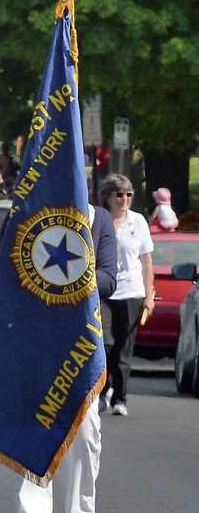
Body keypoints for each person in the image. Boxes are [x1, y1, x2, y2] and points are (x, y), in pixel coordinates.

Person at [9, 200, 119, 513]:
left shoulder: (99, 218)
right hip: (39, 339)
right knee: (36, 427)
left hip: (83, 340)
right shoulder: (32, 214)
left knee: (86, 431)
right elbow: (11, 268)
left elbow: (109, 277)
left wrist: (73, 275)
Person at [97, 176, 154, 417]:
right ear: (108, 196)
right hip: (104, 289)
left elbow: (147, 261)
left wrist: (149, 296)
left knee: (123, 348)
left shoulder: (138, 221)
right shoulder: (99, 219)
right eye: (119, 194)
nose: (125, 199)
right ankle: (102, 391)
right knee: (104, 343)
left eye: (129, 194)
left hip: (131, 291)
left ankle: (120, 397)